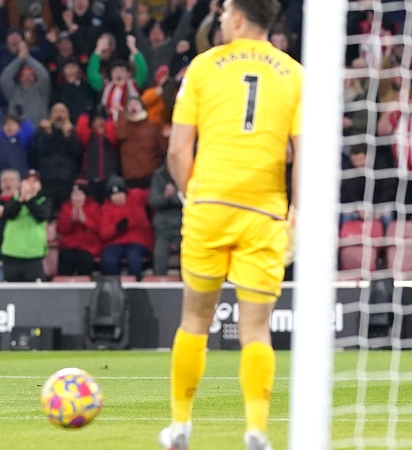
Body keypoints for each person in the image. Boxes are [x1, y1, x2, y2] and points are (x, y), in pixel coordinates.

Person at [158, 1, 302, 449]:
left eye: (222, 15)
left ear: (238, 18)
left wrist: (190, 195)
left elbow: (179, 151)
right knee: (257, 328)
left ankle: (180, 426)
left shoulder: (203, 68)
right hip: (265, 212)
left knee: (196, 320)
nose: (218, 21)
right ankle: (256, 430)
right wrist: (296, 215)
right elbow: (306, 155)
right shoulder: (294, 74)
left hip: (210, 207)